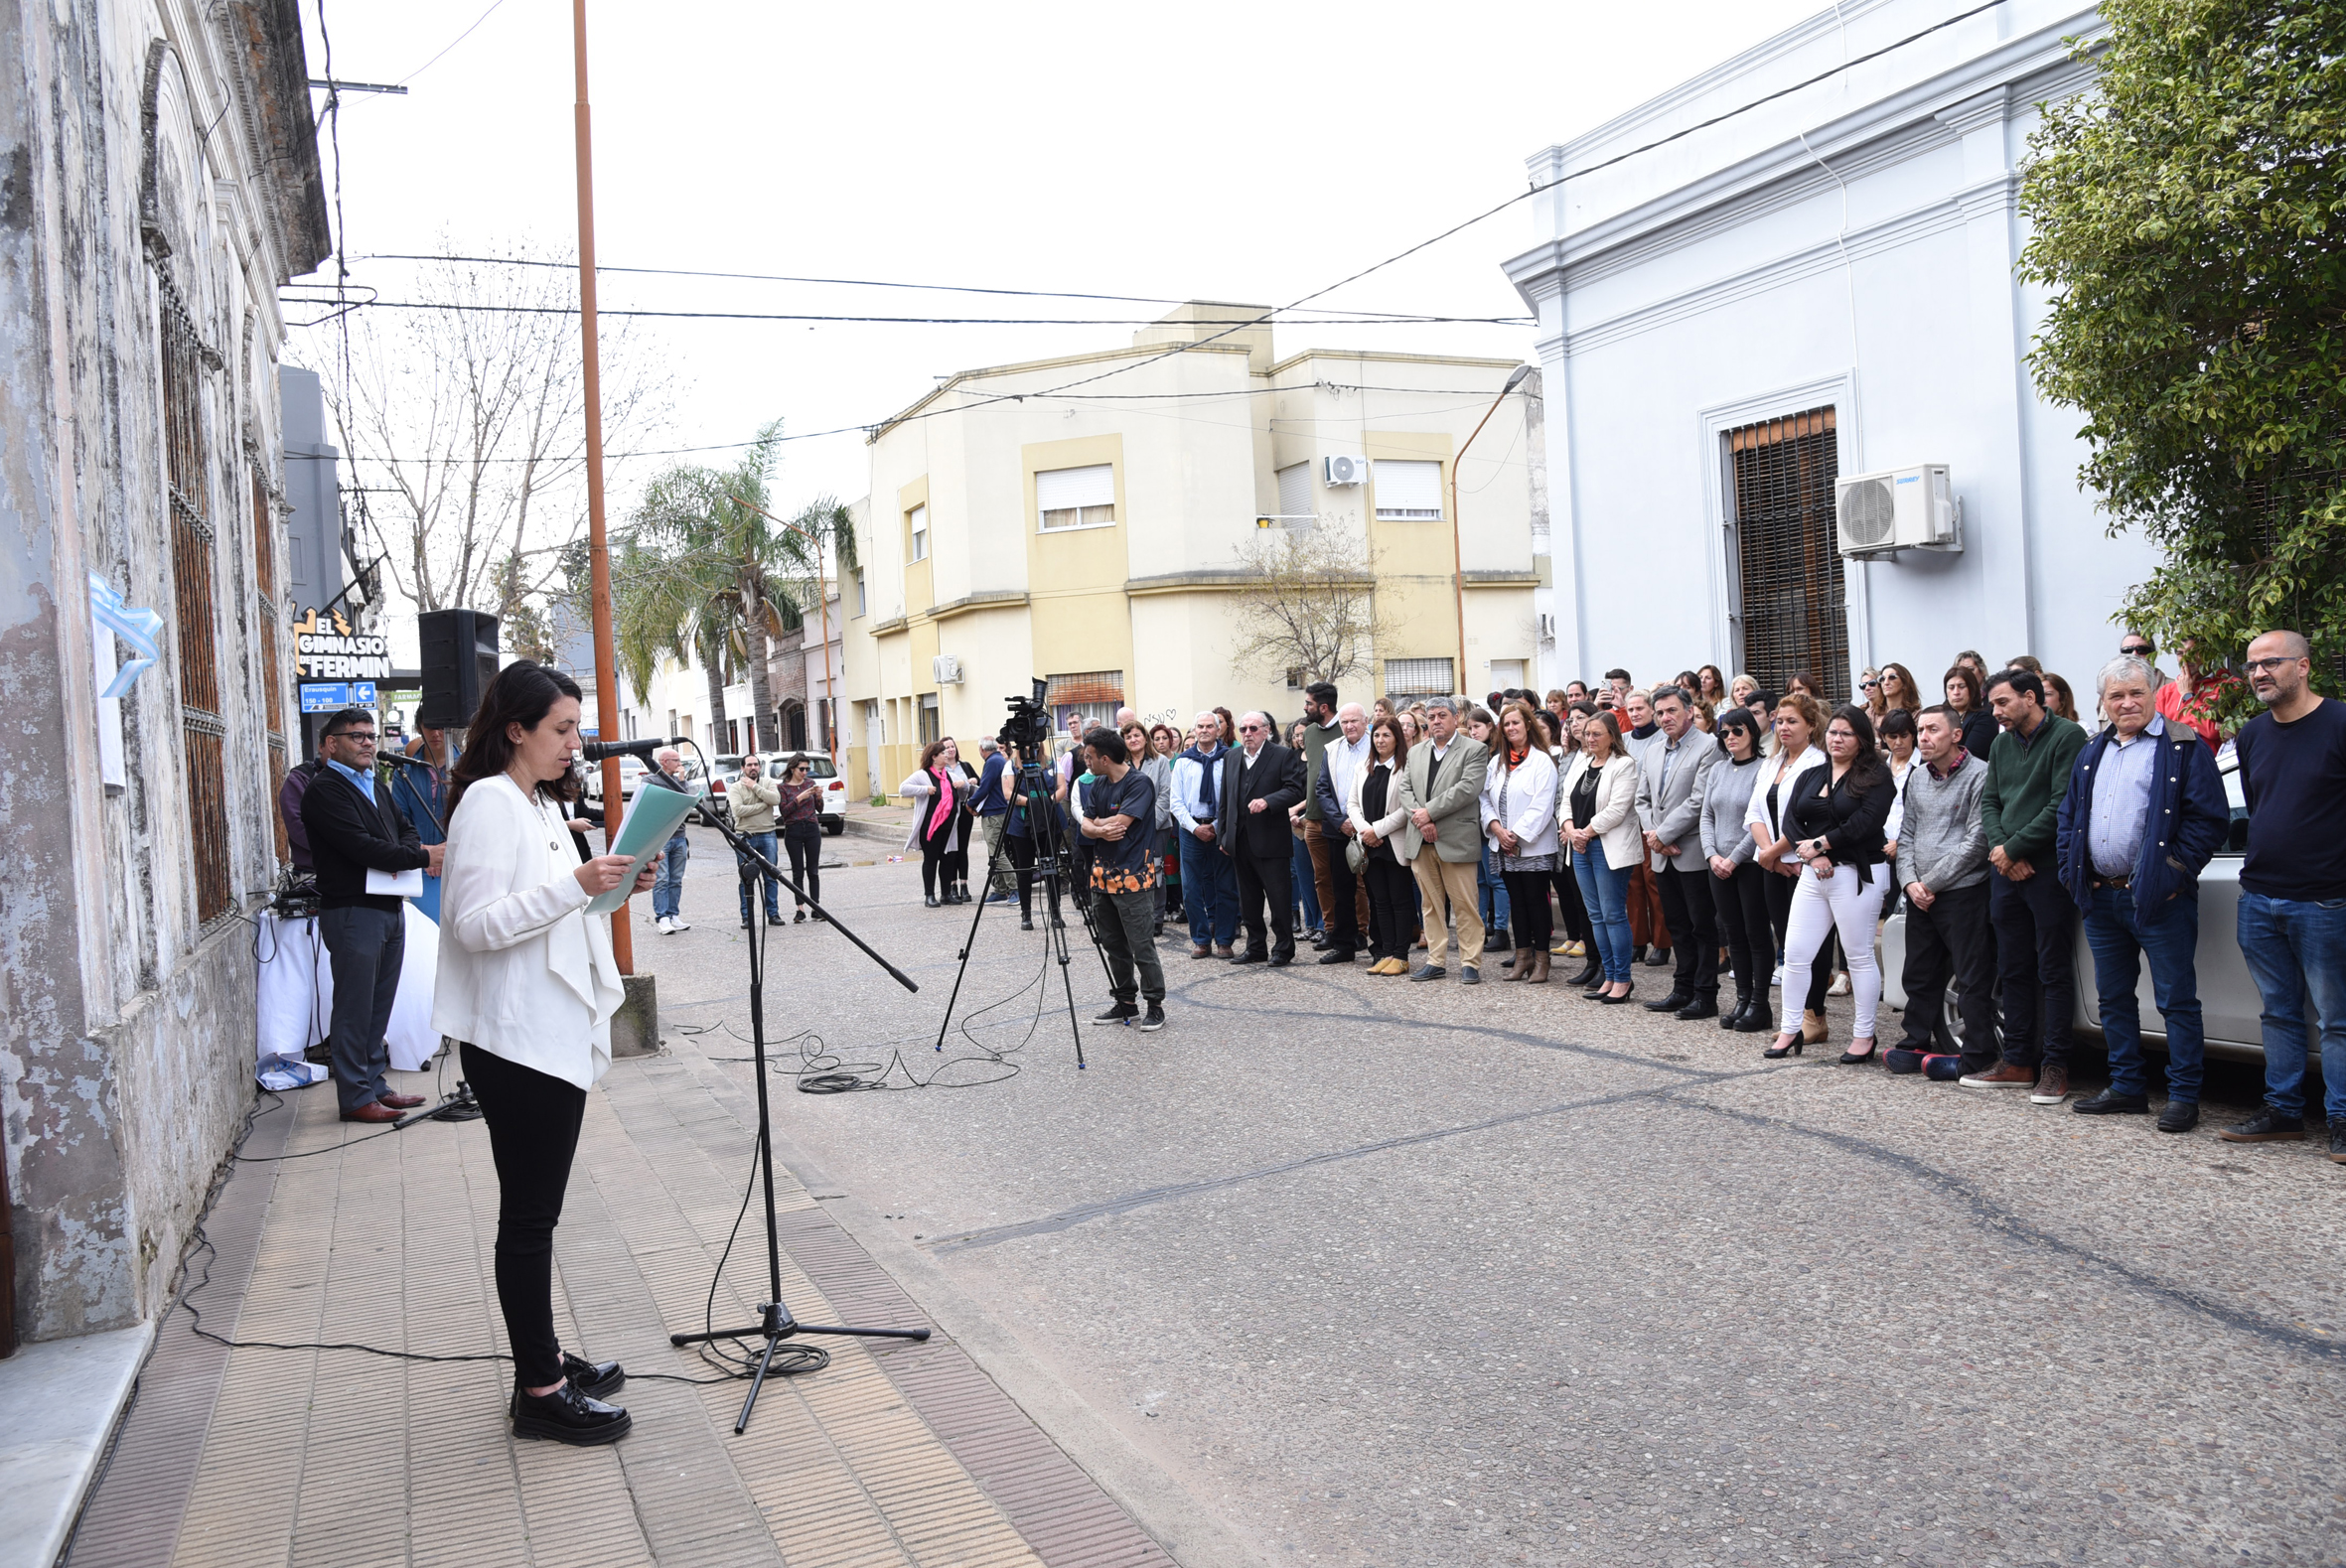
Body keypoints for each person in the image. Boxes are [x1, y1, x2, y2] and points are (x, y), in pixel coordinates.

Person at [434, 661, 652, 1445]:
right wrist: (575, 884)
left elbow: (561, 902)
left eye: (578, 728)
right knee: (529, 1218)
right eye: (562, 728)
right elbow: (475, 923)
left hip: (542, 1030)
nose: (576, 743)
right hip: (514, 1040)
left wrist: (613, 883)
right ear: (516, 728)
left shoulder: (534, 802)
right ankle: (540, 1389)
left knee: (539, 1214)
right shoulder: (490, 802)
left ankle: (546, 1353)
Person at [2054, 654, 2228, 1125]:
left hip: (2159, 898)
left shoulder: (2184, 746)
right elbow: (2069, 816)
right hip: (2101, 897)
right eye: (2117, 695)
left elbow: (2209, 821)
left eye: (2136, 694)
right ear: (2104, 702)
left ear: (2155, 694)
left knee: (2176, 999)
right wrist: (2074, 872)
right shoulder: (2093, 750)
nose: (2127, 703)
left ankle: (2184, 1096)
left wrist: (2172, 875)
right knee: (2112, 997)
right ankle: (2127, 1086)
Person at [2224, 630, 2346, 1159]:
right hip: (2259, 898)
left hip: (2326, 899)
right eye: (2251, 666)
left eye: (2271, 663)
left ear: (2303, 666)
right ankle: (2284, 1112)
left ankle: (2342, 1120)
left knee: (2338, 1017)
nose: (2259, 674)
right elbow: (2259, 803)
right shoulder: (2252, 735)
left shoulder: (2341, 724)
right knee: (2277, 1011)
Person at [300, 708, 441, 1123]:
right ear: (331, 744)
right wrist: (418, 857)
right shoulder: (325, 790)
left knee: (379, 1006)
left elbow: (406, 828)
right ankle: (355, 1097)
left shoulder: (375, 786)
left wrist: (409, 851)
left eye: (370, 735)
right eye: (356, 736)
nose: (367, 742)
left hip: (389, 907)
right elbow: (360, 847)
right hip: (352, 911)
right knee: (354, 1008)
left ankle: (375, 1085)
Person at [1959, 669, 2091, 1103]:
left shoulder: (2068, 736)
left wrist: (2013, 847)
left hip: (2048, 870)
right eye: (1992, 705)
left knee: (2053, 970)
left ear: (2030, 697)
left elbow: (2061, 804)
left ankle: (2055, 1066)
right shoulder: (2000, 743)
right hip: (2007, 871)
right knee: (2013, 969)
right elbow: (1991, 801)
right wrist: (2002, 850)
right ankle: (2016, 1061)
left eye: (2001, 703)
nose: (1995, 713)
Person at [1762, 706, 1897, 1062]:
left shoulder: (1877, 776)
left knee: (1859, 956)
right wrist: (1813, 854)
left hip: (1857, 873)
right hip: (1814, 873)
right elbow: (1790, 819)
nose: (1837, 739)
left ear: (1862, 739)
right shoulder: (1812, 773)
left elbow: (1867, 822)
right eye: (1833, 733)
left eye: (1846, 734)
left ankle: (1864, 1035)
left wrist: (1824, 844)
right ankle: (1790, 1028)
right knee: (1795, 954)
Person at [1889, 705, 1996, 1075]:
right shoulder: (1917, 777)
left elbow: (1977, 842)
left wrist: (1929, 883)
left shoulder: (1981, 774)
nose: (1923, 737)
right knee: (1919, 972)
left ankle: (1977, 1054)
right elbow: (1905, 836)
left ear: (1956, 734)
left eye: (1932, 729)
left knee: (1971, 975)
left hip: (1963, 892)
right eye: (1920, 730)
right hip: (1919, 892)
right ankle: (1915, 1040)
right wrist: (1909, 882)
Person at [1747, 694, 1833, 1043]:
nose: (1783, 727)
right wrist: (1769, 854)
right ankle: (1794, 1017)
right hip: (1774, 863)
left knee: (1814, 943)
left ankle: (1816, 1015)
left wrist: (1779, 853)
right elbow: (1754, 811)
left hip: (1805, 865)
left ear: (1811, 725)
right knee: (1787, 942)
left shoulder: (1819, 763)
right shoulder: (1772, 762)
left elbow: (1808, 818)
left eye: (1792, 721)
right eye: (1780, 721)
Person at [1636, 685, 1723, 1019]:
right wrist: (1654, 836)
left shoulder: (1708, 747)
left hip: (1691, 851)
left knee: (1702, 925)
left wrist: (1664, 834)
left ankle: (1705, 994)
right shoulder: (1654, 750)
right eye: (1659, 713)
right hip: (1662, 851)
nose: (1665, 718)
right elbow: (1642, 800)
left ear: (1688, 710)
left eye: (1671, 710)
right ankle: (1682, 988)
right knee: (1676, 924)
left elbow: (1699, 800)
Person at [1394, 696, 1490, 984]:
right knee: (1430, 904)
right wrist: (1421, 820)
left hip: (1456, 838)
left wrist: (1430, 813)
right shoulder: (1416, 753)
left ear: (1456, 718)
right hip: (1421, 839)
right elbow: (1405, 789)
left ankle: (1470, 962)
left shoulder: (1474, 750)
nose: (1436, 721)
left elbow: (1467, 789)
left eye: (1441, 716)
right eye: (1431, 717)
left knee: (1465, 905)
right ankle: (1436, 960)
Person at [1078, 727, 1167, 1031]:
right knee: (1112, 944)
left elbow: (1123, 823)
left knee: (1141, 945)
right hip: (1101, 879)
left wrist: (1097, 825)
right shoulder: (1098, 785)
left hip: (1133, 879)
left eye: (1088, 756)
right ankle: (1125, 1002)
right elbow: (1086, 826)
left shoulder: (1139, 783)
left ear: (1104, 758)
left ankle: (1154, 1004)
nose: (1084, 760)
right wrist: (1100, 827)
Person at [1561, 710, 1642, 1001]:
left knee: (1612, 914)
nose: (1590, 738)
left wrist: (1586, 833)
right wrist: (1571, 831)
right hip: (1580, 846)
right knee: (1595, 916)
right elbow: (1566, 802)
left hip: (1607, 847)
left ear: (1612, 736)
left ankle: (1622, 979)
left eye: (1597, 734)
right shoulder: (1581, 761)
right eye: (1587, 734)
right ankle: (1608, 976)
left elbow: (1618, 810)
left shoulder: (1624, 765)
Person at [1698, 707, 1771, 1033]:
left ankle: (1760, 1003)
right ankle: (1742, 998)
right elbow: (1706, 815)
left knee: (1756, 933)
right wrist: (1712, 854)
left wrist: (1734, 858)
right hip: (1718, 864)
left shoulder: (1763, 769)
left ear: (1752, 733)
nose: (1730, 738)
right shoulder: (1717, 770)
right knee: (1733, 933)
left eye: (1737, 731)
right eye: (1724, 733)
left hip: (1750, 863)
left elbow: (1758, 819)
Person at [1219, 711, 1307, 965]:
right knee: (1249, 901)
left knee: (1279, 899)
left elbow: (1294, 790)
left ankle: (1283, 949)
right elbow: (1225, 799)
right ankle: (1255, 947)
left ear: (1266, 730)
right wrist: (1224, 836)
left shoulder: (1281, 755)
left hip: (1271, 840)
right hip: (1240, 840)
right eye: (1244, 729)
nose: (1248, 734)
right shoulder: (1231, 756)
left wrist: (1268, 801)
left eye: (1254, 729)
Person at [1483, 700, 1560, 983]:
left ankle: (1542, 959)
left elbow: (1543, 805)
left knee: (1536, 903)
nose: (1511, 728)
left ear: (1528, 724)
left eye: (1516, 722)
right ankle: (1522, 957)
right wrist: (1496, 829)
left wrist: (1515, 835)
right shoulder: (1497, 762)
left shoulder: (1542, 761)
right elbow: (1484, 799)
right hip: (1503, 845)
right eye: (1506, 724)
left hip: (1532, 845)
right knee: (1517, 902)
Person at [1350, 715, 1415, 974]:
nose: (1380, 740)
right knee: (1380, 901)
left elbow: (1406, 809)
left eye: (1386, 735)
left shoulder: (1406, 767)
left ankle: (1401, 955)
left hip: (1394, 844)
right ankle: (1386, 952)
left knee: (1399, 900)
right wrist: (1366, 831)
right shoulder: (1363, 766)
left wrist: (1377, 829)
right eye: (1376, 735)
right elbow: (1352, 804)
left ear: (1397, 738)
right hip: (1369, 845)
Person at [1171, 710, 1239, 957]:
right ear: (1194, 730)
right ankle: (1200, 940)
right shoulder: (1183, 761)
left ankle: (1224, 940)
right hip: (1191, 830)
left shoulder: (1230, 758)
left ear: (1218, 730)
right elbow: (1175, 801)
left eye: (1210, 726)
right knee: (1190, 887)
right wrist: (1195, 827)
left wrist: (1217, 825)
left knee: (1226, 887)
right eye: (1200, 726)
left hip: (1220, 829)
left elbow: (1234, 797)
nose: (1204, 730)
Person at [1616, 687, 1672, 969]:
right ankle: (1638, 940)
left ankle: (1662, 943)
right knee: (1632, 881)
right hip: (1626, 819)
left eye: (1640, 708)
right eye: (1631, 709)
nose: (1635, 713)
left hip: (1653, 819)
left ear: (1652, 710)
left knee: (1654, 881)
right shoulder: (1623, 741)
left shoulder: (1664, 739)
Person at [1312, 701, 1371, 964]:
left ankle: (1381, 946)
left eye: (1354, 721)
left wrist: (1361, 823)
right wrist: (1340, 822)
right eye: (1345, 722)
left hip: (1372, 829)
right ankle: (1344, 945)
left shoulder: (1377, 745)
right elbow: (1322, 789)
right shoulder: (1332, 749)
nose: (1349, 726)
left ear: (1365, 721)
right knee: (1342, 891)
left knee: (1376, 889)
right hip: (1339, 830)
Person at [387, 721, 457, 923]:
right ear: (419, 728)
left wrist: (446, 851)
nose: (436, 733)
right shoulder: (405, 771)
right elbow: (400, 819)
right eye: (430, 727)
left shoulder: (469, 767)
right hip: (422, 868)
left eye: (442, 727)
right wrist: (424, 853)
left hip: (458, 863)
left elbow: (474, 818)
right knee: (431, 932)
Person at [1463, 706, 1513, 954]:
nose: (1473, 732)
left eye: (1477, 727)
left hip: (1492, 823)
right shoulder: (1471, 751)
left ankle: (1502, 929)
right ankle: (1480, 927)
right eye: (1470, 728)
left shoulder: (1497, 753)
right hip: (1473, 824)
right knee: (1480, 880)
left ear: (1490, 726)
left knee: (1496, 880)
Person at [899, 738, 971, 907]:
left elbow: (965, 791)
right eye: (942, 753)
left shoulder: (950, 776)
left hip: (949, 826)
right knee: (931, 860)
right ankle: (929, 896)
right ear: (933, 757)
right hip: (930, 827)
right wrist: (925, 790)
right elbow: (903, 789)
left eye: (947, 752)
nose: (946, 755)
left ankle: (946, 894)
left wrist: (964, 784)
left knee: (948, 860)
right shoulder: (922, 775)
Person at [1120, 720, 1175, 937]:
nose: (1133, 740)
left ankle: (1156, 918)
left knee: (1156, 871)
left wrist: (1150, 824)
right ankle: (1136, 918)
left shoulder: (1159, 761)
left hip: (1157, 826)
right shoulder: (1121, 763)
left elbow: (1165, 795)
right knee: (1132, 871)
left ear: (1145, 738)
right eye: (1128, 736)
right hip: (1128, 827)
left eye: (1136, 735)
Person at [727, 754, 783, 927]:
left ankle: (773, 914)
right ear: (743, 768)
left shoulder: (767, 783)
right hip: (744, 838)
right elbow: (737, 811)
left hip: (768, 835)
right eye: (749, 765)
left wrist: (755, 787)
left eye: (756, 765)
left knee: (771, 877)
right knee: (746, 878)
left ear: (760, 767)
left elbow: (775, 800)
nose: (753, 768)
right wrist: (763, 805)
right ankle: (747, 917)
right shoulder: (736, 787)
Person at [644, 748, 696, 934]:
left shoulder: (679, 780)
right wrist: (681, 783)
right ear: (664, 761)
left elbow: (686, 803)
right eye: (676, 760)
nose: (679, 764)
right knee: (662, 878)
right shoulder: (650, 780)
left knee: (676, 879)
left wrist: (682, 781)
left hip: (680, 836)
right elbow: (663, 801)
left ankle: (674, 915)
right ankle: (662, 917)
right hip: (661, 838)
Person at [1284, 718, 1325, 944]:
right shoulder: (1290, 758)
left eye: (1304, 734)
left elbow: (1317, 789)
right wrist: (1291, 814)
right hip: (1294, 823)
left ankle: (1322, 924)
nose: (1300, 738)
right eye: (1297, 735)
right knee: (1303, 876)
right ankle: (1310, 924)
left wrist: (1298, 809)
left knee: (1319, 874)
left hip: (1313, 818)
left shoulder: (1320, 756)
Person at [2154, 643, 2236, 752]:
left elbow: (2212, 731)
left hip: (2214, 763)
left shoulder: (2230, 685)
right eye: (2180, 653)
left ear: (2208, 653)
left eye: (2193, 652)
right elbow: (2158, 735)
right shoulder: (2165, 692)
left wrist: (2188, 695)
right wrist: (2194, 731)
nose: (2186, 658)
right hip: (2176, 762)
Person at [775, 755, 825, 923]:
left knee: (813, 870)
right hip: (794, 830)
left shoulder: (810, 783)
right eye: (801, 769)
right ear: (792, 769)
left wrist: (818, 797)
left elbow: (820, 809)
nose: (805, 772)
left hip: (811, 828)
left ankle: (816, 908)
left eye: (807, 769)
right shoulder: (783, 788)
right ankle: (800, 909)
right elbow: (784, 811)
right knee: (798, 871)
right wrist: (800, 798)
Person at [972, 735, 1013, 904]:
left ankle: (1015, 887)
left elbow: (984, 787)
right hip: (1000, 811)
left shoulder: (992, 762)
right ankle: (1000, 888)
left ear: (982, 749)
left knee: (997, 852)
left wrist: (970, 803)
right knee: (996, 852)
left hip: (994, 814)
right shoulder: (999, 760)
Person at [1944, 665, 1997, 761]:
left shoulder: (1984, 718)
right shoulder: (1940, 717)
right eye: (1951, 687)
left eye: (1961, 686)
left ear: (1972, 689)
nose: (1956, 692)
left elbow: (1969, 757)